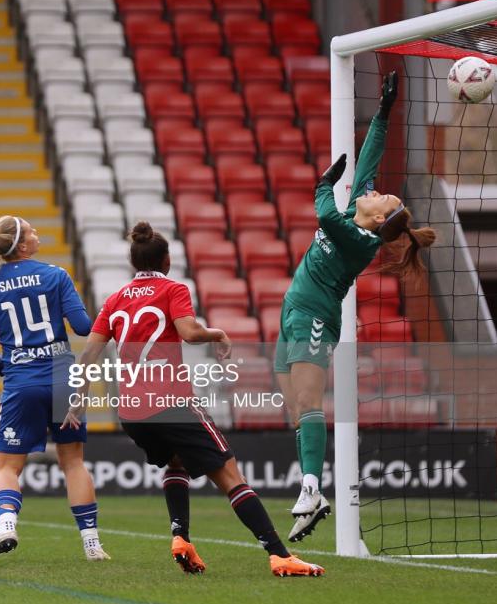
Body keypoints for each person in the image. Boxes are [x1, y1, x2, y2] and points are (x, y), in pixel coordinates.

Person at [68, 222, 324, 578]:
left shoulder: (114, 300)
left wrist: (77, 400)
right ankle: (279, 554)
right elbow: (189, 332)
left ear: (133, 261)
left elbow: (88, 357)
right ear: (166, 260)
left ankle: (181, 538)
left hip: (132, 413)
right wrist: (216, 332)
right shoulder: (173, 288)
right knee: (231, 476)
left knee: (177, 462)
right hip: (171, 403)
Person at [276, 71, 437, 541]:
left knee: (308, 402)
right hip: (292, 310)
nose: (371, 190)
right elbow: (369, 159)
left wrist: (325, 182)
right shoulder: (363, 214)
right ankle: (312, 490)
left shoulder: (358, 236)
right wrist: (384, 112)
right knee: (293, 404)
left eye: (379, 195)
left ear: (380, 216)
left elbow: (324, 210)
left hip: (313, 318)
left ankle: (310, 487)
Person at [0, 215, 107, 564]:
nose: (38, 234)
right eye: (32, 231)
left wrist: (9, 372)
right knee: (72, 461)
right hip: (62, 377)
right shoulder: (56, 275)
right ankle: (92, 545)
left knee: (8, 467)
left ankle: (6, 526)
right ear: (22, 245)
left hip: (22, 381)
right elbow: (85, 327)